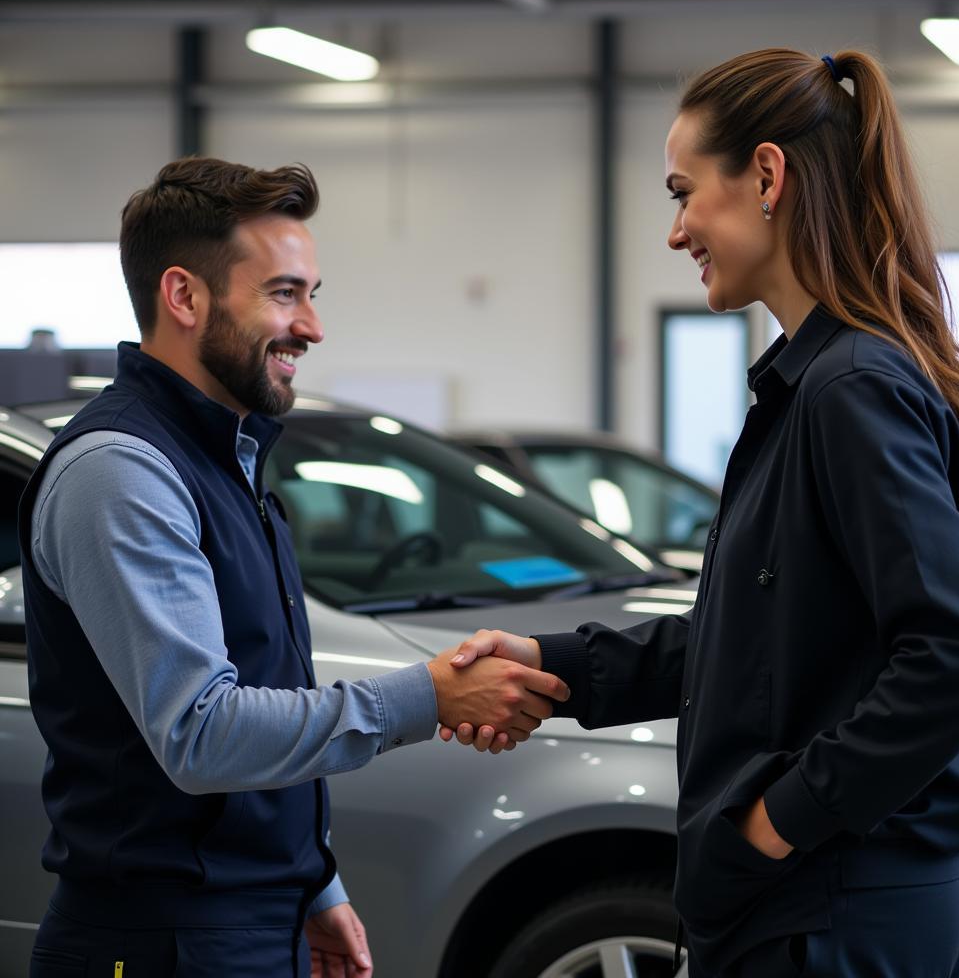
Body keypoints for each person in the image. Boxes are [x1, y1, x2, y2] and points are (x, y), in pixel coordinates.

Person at [442, 48, 959, 978]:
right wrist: (555, 668)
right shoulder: (812, 388)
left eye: (684, 193)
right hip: (818, 907)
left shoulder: (850, 389)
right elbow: (756, 647)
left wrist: (775, 822)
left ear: (765, 175)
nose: (677, 232)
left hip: (833, 915)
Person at [18, 156, 569, 978]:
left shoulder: (227, 459)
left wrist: (313, 884)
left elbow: (261, 693)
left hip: (242, 921)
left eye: (312, 294)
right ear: (184, 296)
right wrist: (431, 694)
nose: (311, 326)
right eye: (284, 293)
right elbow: (201, 732)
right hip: (162, 941)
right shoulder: (122, 471)